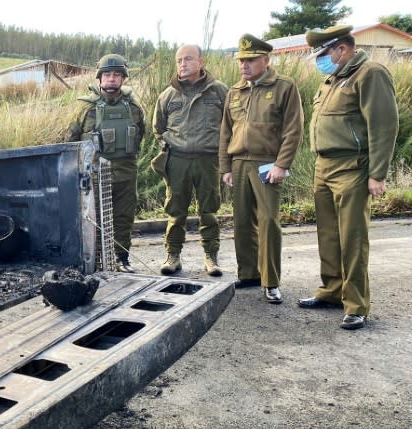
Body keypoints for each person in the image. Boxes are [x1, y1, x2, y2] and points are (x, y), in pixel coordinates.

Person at [298, 25, 399, 330]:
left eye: (323, 53)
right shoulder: (332, 80)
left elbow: (384, 126)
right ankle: (331, 291)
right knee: (328, 235)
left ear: (342, 49)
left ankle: (356, 304)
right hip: (324, 166)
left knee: (352, 239)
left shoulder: (370, 74)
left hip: (353, 167)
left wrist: (377, 174)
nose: (320, 60)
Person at [218, 34, 303, 304]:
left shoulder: (284, 87)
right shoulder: (235, 90)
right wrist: (226, 167)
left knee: (268, 222)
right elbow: (225, 133)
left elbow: (293, 129)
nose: (244, 65)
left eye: (250, 60)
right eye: (241, 60)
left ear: (266, 60)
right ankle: (249, 273)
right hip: (240, 163)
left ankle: (271, 281)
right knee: (242, 222)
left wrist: (282, 164)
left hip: (267, 164)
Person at [153, 44, 228, 277]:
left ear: (201, 62)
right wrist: (170, 145)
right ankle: (172, 256)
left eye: (188, 59)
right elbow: (158, 128)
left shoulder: (219, 92)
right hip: (178, 161)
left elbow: (231, 124)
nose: (182, 64)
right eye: (179, 60)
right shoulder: (167, 96)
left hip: (208, 160)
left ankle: (211, 257)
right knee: (176, 211)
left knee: (209, 210)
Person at [68, 54, 146, 273]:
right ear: (100, 78)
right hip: (94, 176)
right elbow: (69, 142)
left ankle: (122, 259)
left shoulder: (134, 109)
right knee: (94, 221)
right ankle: (97, 262)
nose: (112, 79)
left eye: (117, 75)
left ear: (123, 79)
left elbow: (141, 135)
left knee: (124, 218)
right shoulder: (84, 109)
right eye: (108, 75)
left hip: (126, 174)